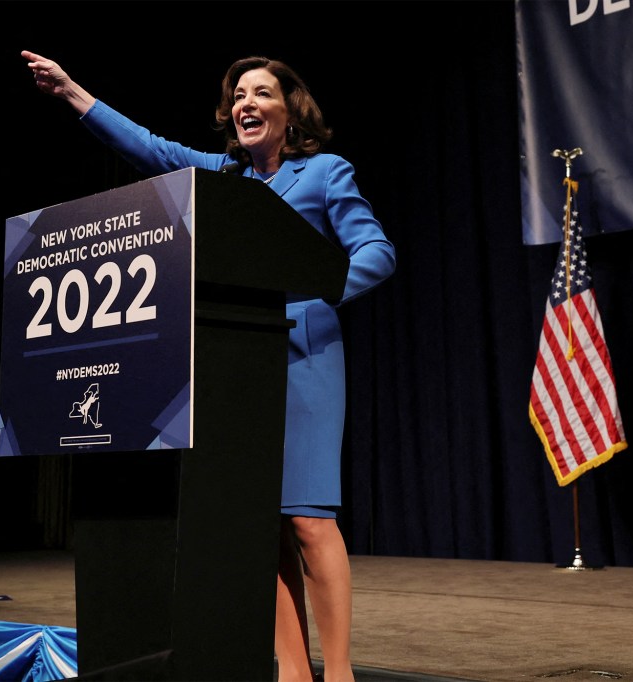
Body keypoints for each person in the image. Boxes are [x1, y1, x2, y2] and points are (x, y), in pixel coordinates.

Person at [22, 51, 396, 682]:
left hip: (305, 359)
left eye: (261, 93)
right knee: (266, 527)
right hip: (240, 366)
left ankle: (339, 673)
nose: (246, 103)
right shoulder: (225, 177)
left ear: (289, 109)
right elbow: (152, 149)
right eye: (238, 95)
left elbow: (377, 253)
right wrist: (73, 94)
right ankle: (293, 671)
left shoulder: (325, 172)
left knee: (307, 519)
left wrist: (296, 294)